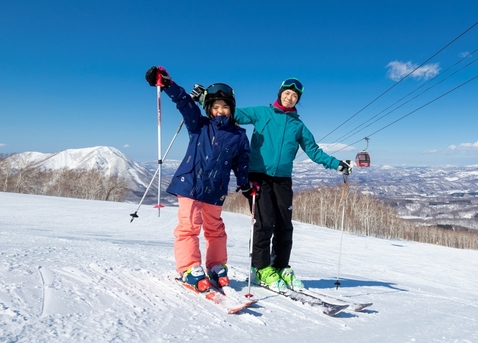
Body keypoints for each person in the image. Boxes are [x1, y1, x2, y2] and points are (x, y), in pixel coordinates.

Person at [234, 77, 352, 292]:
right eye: (287, 93)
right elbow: (233, 113)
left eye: (295, 95)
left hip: (282, 179)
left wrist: (337, 165)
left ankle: (280, 266)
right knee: (264, 223)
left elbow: (314, 151)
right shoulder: (262, 113)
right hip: (258, 176)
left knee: (285, 225)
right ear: (280, 93)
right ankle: (260, 268)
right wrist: (209, 97)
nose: (290, 97)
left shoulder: (298, 126)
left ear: (298, 99)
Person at [145, 66, 251, 292]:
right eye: (215, 107)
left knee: (215, 229)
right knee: (189, 226)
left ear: (231, 109)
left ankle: (216, 266)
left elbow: (242, 162)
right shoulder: (198, 125)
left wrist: (245, 183)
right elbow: (185, 103)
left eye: (224, 107)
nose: (220, 111)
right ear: (209, 109)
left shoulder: (239, 136)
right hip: (191, 184)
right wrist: (168, 85)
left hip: (215, 189)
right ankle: (189, 267)